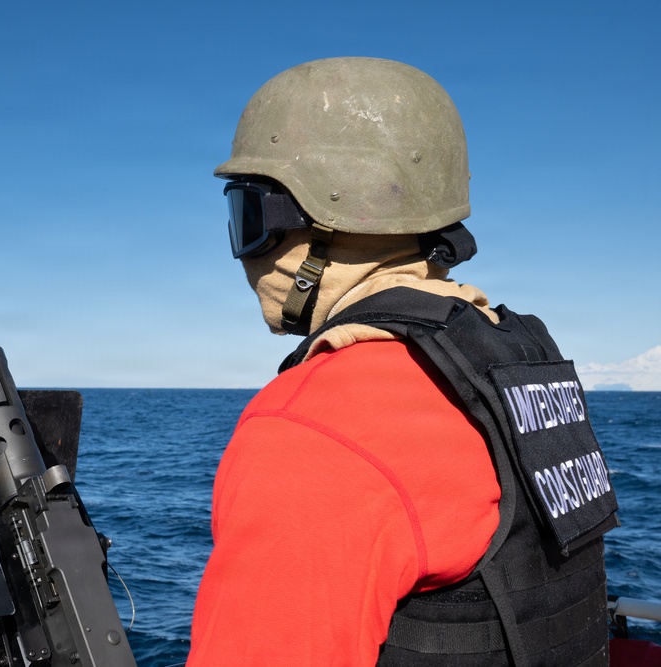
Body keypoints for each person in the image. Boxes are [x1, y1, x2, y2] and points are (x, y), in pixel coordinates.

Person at [187, 58, 619, 666]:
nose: (243, 257)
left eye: (248, 220)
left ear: (315, 224)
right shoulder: (520, 364)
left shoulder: (314, 427)